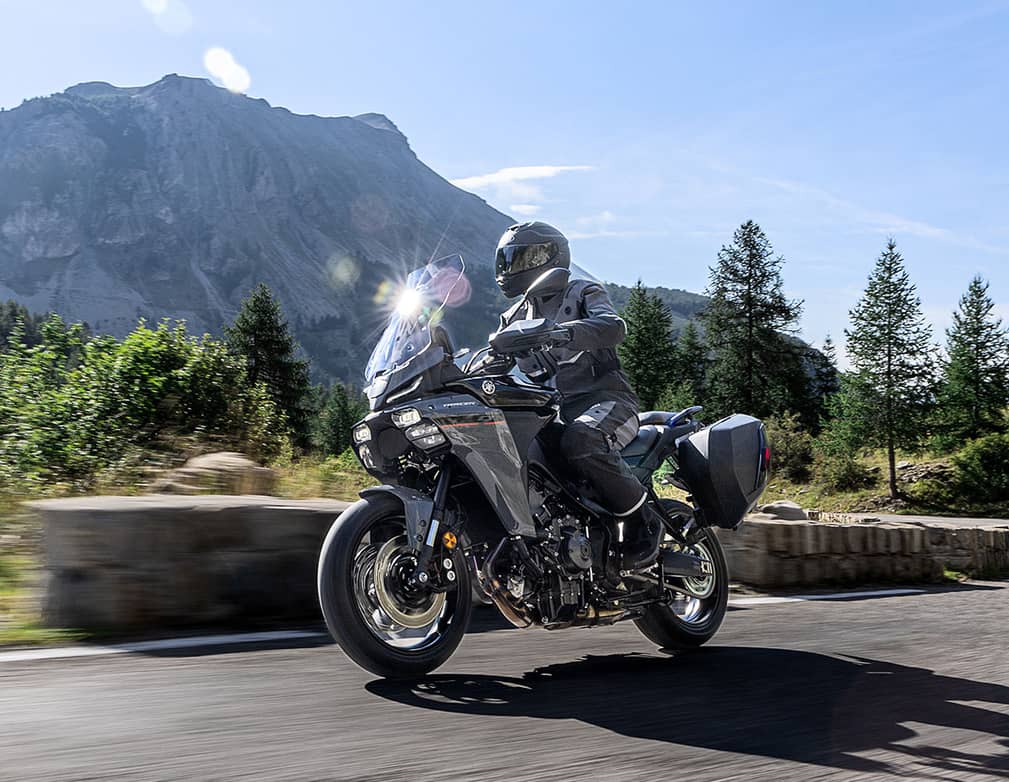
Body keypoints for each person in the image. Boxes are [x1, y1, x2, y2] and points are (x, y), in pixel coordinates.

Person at [494, 221, 667, 570]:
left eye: (524, 258)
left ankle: (642, 522)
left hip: (605, 402)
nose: (514, 267)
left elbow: (613, 326)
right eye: (509, 260)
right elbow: (494, 358)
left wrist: (563, 334)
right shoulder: (512, 317)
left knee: (582, 440)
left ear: (549, 256)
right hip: (546, 413)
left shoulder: (581, 291)